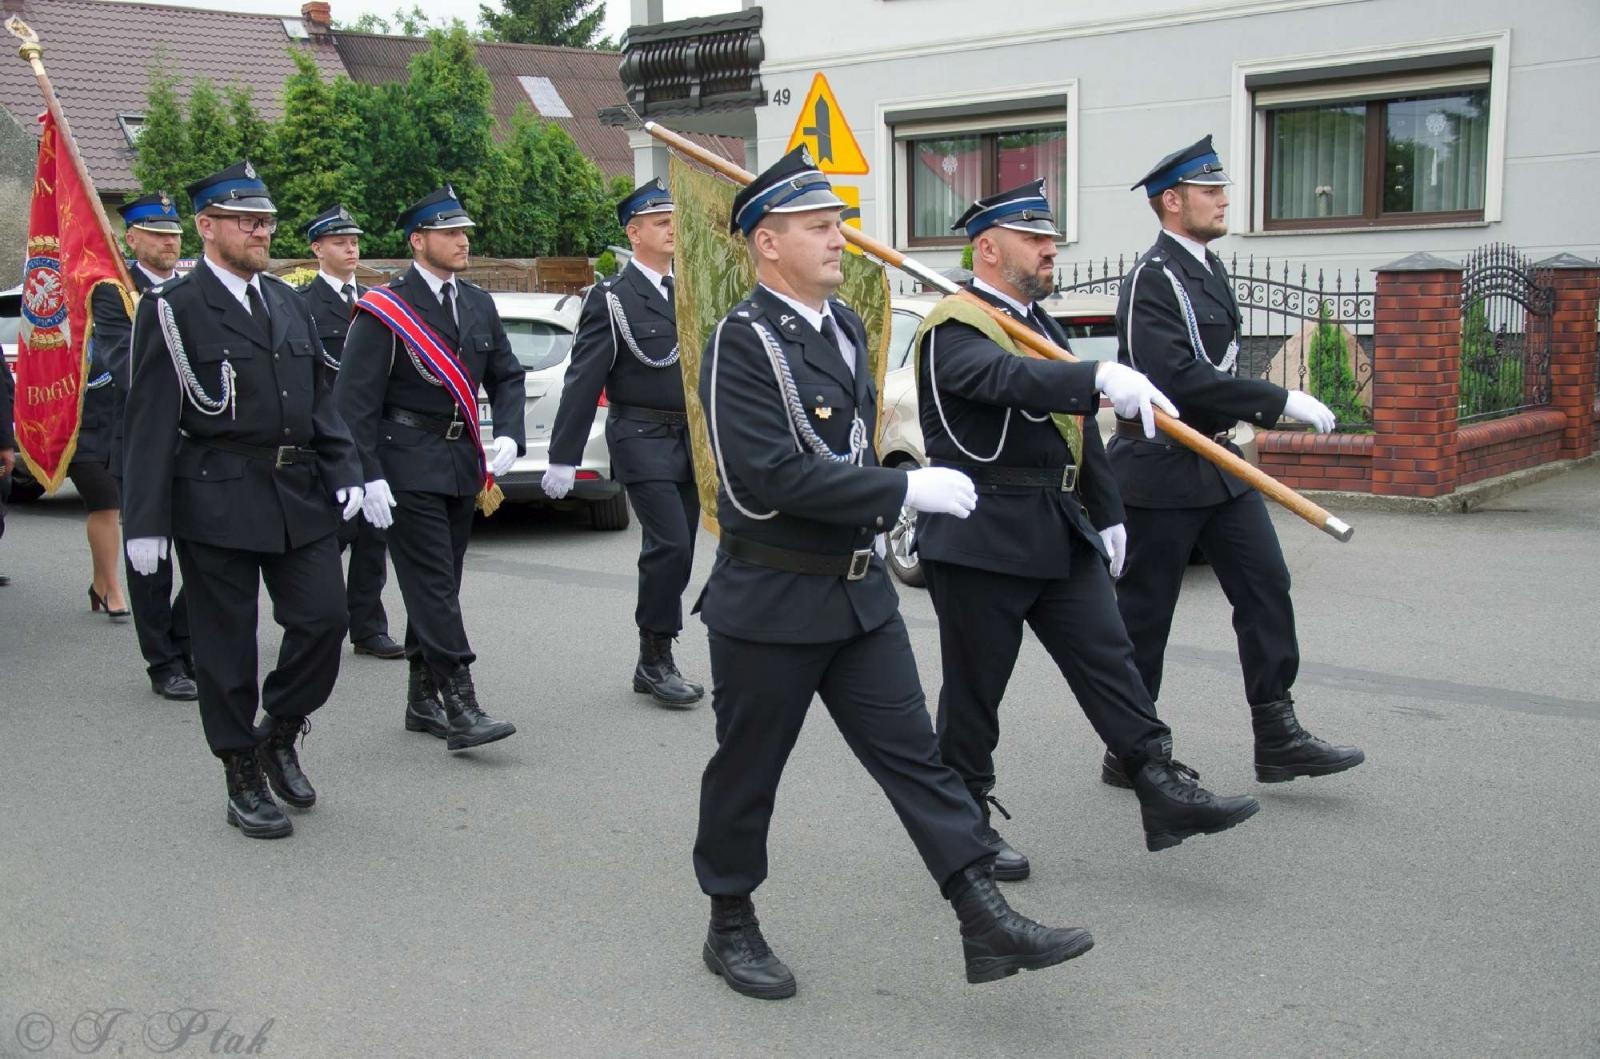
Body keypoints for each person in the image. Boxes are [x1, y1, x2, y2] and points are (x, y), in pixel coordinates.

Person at [692, 147, 1092, 1001]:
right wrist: (901, 488)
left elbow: (846, 443)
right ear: (768, 243)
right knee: (748, 772)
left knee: (918, 760)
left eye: (838, 224)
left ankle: (983, 915)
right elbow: (767, 477)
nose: (840, 239)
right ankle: (730, 921)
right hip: (772, 599)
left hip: (858, 595)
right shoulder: (741, 342)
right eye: (818, 226)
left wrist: (886, 494)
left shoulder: (844, 325)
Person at [914, 179, 1261, 872]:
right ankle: (964, 822)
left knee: (1111, 659)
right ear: (988, 249)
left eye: (1051, 239)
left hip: (1056, 524)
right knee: (976, 693)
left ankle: (1158, 780)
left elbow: (1078, 434)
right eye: (1034, 239)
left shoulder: (1042, 326)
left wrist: (1107, 512)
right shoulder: (955, 325)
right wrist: (1098, 376)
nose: (1050, 250)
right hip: (982, 534)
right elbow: (1003, 379)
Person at [1105, 135, 1364, 788]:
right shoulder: (1152, 278)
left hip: (1217, 461)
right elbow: (1176, 379)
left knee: (1265, 585)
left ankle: (1277, 734)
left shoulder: (1207, 267)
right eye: (1209, 190)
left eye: (1221, 188)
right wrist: (1277, 400)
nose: (1223, 199)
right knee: (1145, 619)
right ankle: (1132, 751)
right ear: (1172, 200)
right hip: (1160, 468)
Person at [122, 161, 367, 840]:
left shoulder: (286, 300)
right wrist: (144, 521)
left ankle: (279, 730)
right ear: (207, 226)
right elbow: (148, 420)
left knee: (324, 619)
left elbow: (319, 399)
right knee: (226, 645)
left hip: (296, 491)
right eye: (247, 220)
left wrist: (347, 466)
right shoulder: (172, 308)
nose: (262, 231)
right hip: (217, 494)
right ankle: (239, 770)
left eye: (266, 220)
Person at [334, 185, 526, 751]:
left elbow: (507, 375)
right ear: (418, 241)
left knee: (441, 583)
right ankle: (460, 702)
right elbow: (354, 402)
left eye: (464, 232)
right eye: (449, 233)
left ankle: (421, 699)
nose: (463, 241)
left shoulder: (477, 303)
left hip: (461, 463)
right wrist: (367, 472)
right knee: (434, 584)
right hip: (405, 462)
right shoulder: (386, 308)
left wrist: (510, 432)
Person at [542, 179, 702, 708]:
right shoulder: (612, 298)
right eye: (660, 222)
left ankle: (652, 656)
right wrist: (563, 457)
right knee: (669, 544)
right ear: (634, 234)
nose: (672, 229)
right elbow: (583, 377)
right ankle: (655, 657)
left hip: (688, 438)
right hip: (640, 436)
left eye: (674, 220)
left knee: (683, 548)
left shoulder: (688, 291)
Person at [92, 192, 195, 699]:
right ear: (132, 239)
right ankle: (162, 662)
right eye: (157, 234)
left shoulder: (193, 289)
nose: (169, 243)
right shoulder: (114, 293)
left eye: (174, 234)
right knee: (150, 558)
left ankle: (186, 641)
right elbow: (124, 365)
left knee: (211, 552)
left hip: (199, 443)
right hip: (140, 443)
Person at [296, 204, 404, 662]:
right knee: (329, 533)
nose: (351, 249)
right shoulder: (303, 304)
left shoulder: (376, 301)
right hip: (327, 435)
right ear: (317, 249)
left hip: (372, 431)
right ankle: (312, 619)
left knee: (373, 534)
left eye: (354, 242)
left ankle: (368, 626)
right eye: (339, 242)